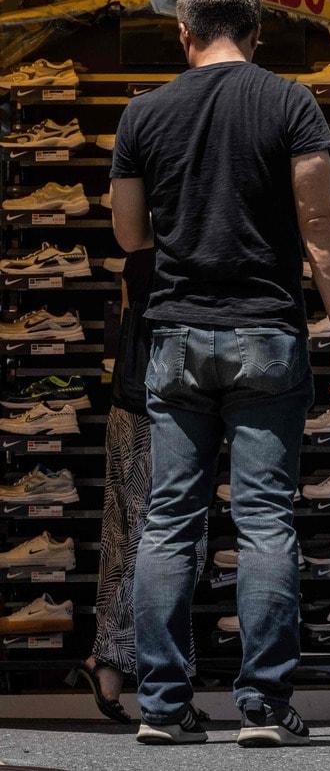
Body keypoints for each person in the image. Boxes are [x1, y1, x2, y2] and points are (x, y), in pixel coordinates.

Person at [111, 0, 330, 747]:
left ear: (182, 33)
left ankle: (162, 703)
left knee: (168, 522)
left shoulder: (143, 113)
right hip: (266, 330)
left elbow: (129, 234)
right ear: (255, 32)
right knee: (263, 520)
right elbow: (320, 223)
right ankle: (261, 704)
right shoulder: (289, 102)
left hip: (176, 332)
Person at [71, 250, 206, 723]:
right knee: (171, 541)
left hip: (128, 401)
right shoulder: (183, 253)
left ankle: (122, 664)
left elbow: (130, 320)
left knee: (125, 537)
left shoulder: (141, 257)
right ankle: (155, 675)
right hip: (166, 409)